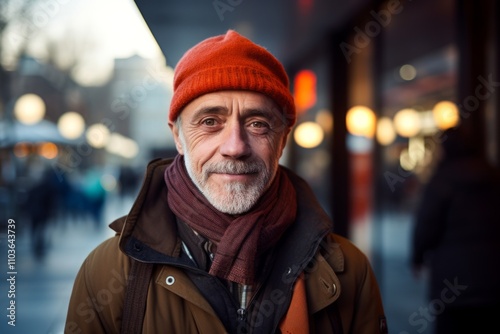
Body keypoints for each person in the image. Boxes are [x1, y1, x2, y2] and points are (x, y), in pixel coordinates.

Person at [65, 30, 387, 334]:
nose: (235, 147)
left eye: (258, 124)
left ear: (283, 139)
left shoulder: (349, 272)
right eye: (210, 122)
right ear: (178, 136)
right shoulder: (109, 271)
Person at [411, 125, 500, 333]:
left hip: (453, 284)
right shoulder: (494, 175)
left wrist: (417, 257)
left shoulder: (442, 180)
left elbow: (427, 224)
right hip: (493, 280)